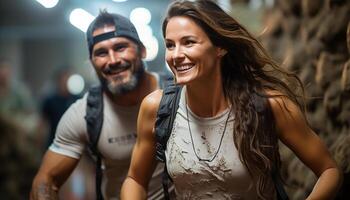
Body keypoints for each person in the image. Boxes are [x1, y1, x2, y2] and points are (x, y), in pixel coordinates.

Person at [121, 0, 342, 199]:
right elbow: (135, 181)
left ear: (220, 47)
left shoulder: (268, 105)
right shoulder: (157, 108)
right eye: (170, 45)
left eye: (188, 42)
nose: (176, 55)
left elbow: (329, 171)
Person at [30, 11, 165, 200]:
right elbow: (46, 180)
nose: (113, 60)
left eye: (120, 47)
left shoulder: (175, 94)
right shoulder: (86, 113)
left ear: (142, 50)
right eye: (101, 52)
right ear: (92, 62)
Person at [40, 67, 80, 149]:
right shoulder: (50, 100)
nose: (65, 82)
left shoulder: (78, 100)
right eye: (63, 79)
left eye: (68, 79)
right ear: (58, 81)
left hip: (74, 143)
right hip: (54, 142)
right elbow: (43, 123)